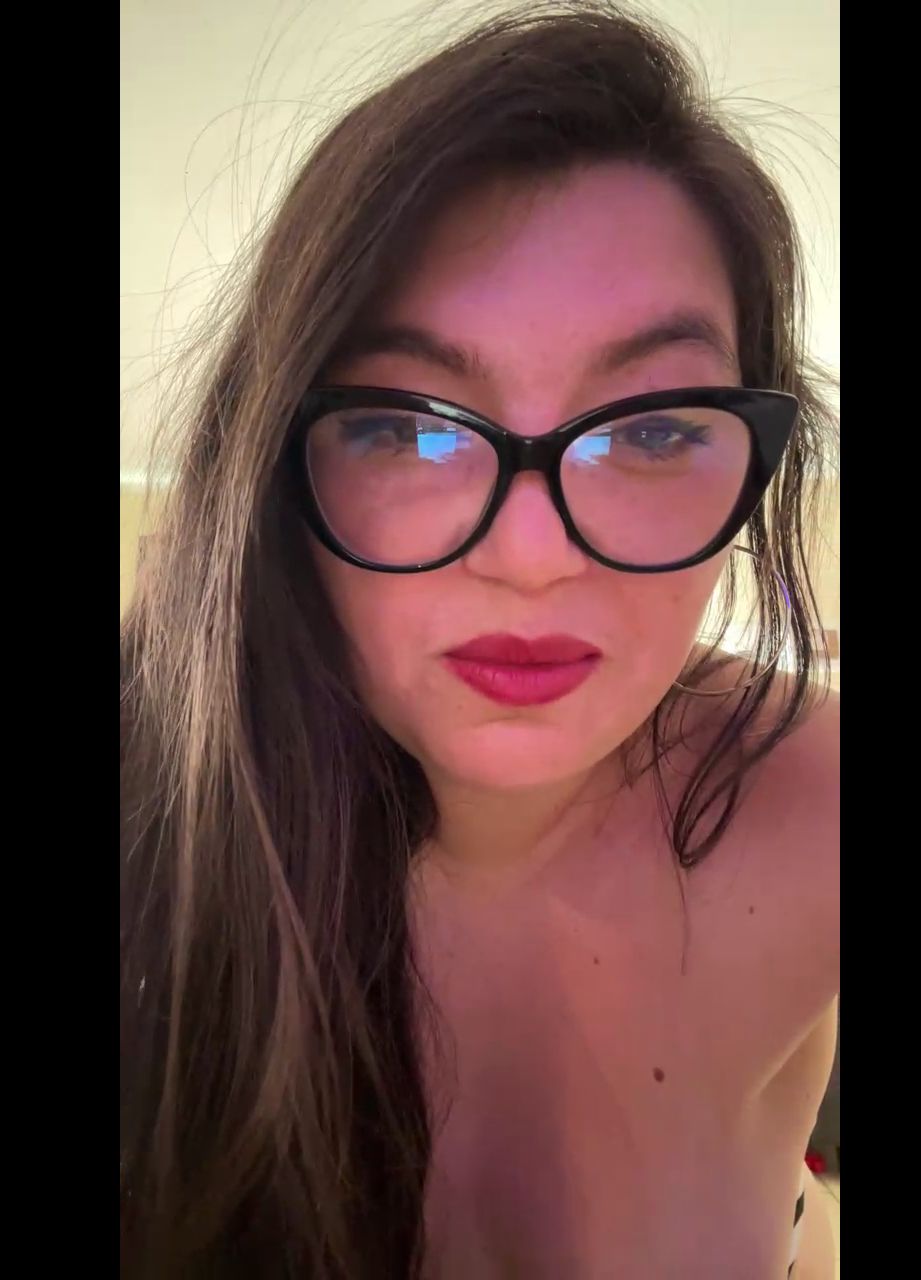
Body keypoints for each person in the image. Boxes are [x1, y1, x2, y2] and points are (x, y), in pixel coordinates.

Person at [120, 5, 839, 1277]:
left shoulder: (817, 802)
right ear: (276, 463)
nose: (532, 556)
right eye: (409, 426)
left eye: (654, 429)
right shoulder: (150, 805)